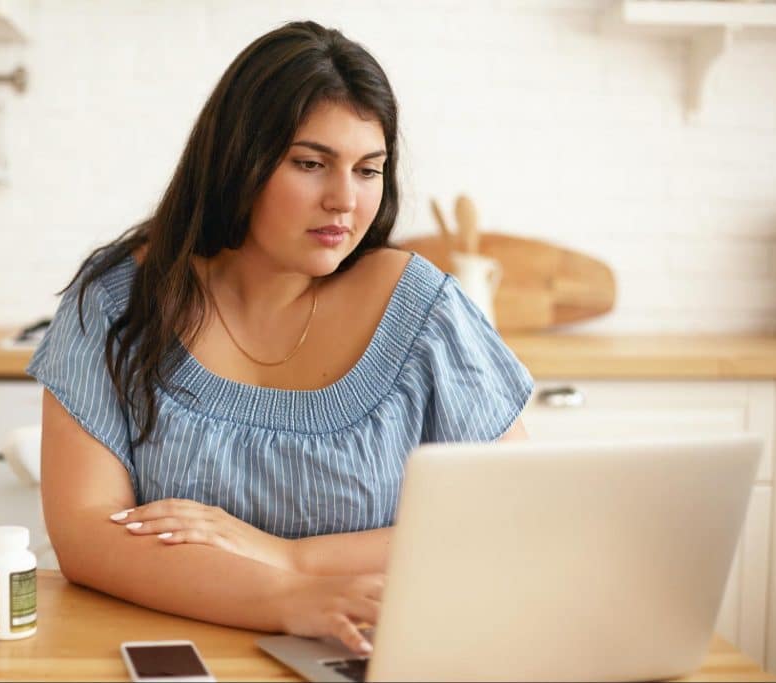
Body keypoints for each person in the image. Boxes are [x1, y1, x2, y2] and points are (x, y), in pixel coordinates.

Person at [27, 20, 533, 655]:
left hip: (369, 655)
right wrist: (286, 601)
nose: (344, 200)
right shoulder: (119, 301)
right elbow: (85, 534)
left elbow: (508, 523)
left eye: (368, 169)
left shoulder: (426, 309)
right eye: (311, 163)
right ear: (240, 159)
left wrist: (291, 559)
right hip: (173, 656)